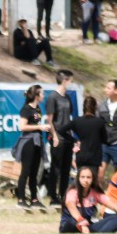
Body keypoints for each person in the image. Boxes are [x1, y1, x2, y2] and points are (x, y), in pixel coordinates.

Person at [60, 167, 117, 234]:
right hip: (72, 225)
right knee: (72, 222)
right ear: (78, 178)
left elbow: (116, 208)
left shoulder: (95, 193)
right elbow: (72, 207)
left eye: (88, 177)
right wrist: (81, 222)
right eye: (82, 177)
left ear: (92, 179)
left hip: (87, 227)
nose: (85, 180)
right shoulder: (72, 192)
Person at [12, 85, 51, 209]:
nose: (44, 96)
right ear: (36, 96)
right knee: (26, 171)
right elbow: (22, 127)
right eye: (42, 94)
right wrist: (39, 127)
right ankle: (21, 199)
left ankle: (34, 199)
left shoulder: (38, 109)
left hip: (37, 142)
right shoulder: (26, 109)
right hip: (28, 142)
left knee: (34, 173)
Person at [45, 70, 75, 205]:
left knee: (66, 169)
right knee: (55, 168)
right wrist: (54, 136)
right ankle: (53, 196)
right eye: (70, 80)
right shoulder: (53, 97)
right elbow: (49, 120)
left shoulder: (67, 98)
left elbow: (70, 118)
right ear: (64, 81)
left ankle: (63, 195)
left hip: (68, 137)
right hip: (58, 137)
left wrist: (73, 137)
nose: (71, 83)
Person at [58, 96, 107, 176]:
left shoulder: (77, 121)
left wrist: (75, 140)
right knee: (92, 181)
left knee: (81, 180)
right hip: (94, 156)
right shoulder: (100, 122)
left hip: (81, 155)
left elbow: (61, 130)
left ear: (83, 107)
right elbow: (105, 140)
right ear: (95, 108)